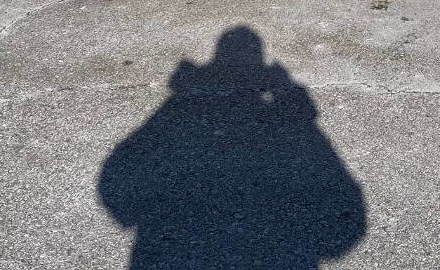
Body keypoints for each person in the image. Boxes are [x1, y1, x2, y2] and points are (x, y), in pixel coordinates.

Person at [99, 26, 367, 269]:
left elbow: (118, 169)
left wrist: (135, 217)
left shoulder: (175, 106)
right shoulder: (295, 122)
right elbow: (346, 217)